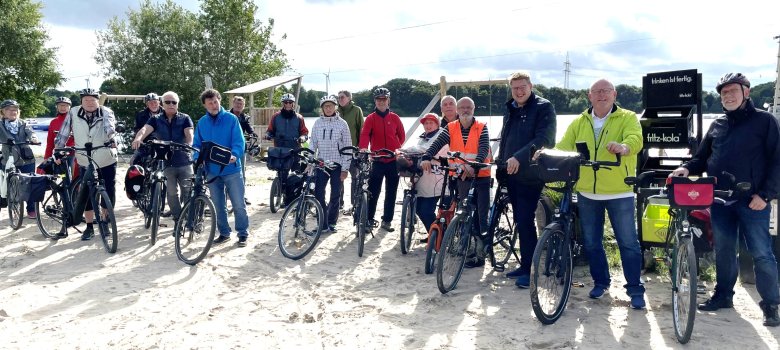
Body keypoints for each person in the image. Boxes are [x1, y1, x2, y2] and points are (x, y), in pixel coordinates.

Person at [671, 73, 780, 326]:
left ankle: (771, 305)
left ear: (746, 93)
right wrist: (687, 169)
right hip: (719, 200)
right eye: (724, 93)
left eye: (733, 91)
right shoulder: (717, 124)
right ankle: (723, 296)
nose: (728, 96)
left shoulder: (765, 122)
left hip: (753, 200)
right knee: (724, 250)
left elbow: (777, 161)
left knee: (762, 253)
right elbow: (701, 158)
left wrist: (765, 195)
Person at [553, 78, 645, 309]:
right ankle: (601, 282)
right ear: (589, 96)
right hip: (587, 192)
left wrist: (624, 148)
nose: (601, 95)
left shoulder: (628, 117)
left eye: (606, 91)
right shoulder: (579, 121)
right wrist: (546, 154)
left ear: (614, 95)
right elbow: (564, 145)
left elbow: (635, 140)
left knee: (628, 243)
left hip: (619, 191)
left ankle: (635, 289)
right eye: (597, 91)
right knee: (592, 243)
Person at [498, 71, 557, 288]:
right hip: (511, 172)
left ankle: (530, 270)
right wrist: (501, 162)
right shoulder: (510, 108)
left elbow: (545, 139)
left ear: (531, 86)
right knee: (520, 222)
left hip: (531, 174)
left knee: (524, 220)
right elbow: (505, 137)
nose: (519, 91)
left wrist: (519, 157)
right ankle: (524, 266)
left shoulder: (543, 107)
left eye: (523, 87)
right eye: (515, 88)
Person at [421, 97, 491, 267]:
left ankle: (481, 253)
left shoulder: (482, 127)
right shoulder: (450, 127)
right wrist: (426, 157)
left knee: (482, 214)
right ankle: (466, 244)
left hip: (481, 175)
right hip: (462, 176)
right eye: (462, 108)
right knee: (464, 210)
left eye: (469, 107)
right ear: (458, 110)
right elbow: (436, 143)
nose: (465, 110)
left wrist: (473, 167)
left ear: (473, 109)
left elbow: (483, 149)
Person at [55, 88, 118, 241]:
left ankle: (105, 221)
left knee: (109, 189)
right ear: (81, 102)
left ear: (98, 101)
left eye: (93, 100)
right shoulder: (73, 112)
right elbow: (64, 132)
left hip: (105, 157)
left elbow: (110, 128)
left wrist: (112, 139)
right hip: (84, 158)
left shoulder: (106, 112)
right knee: (87, 192)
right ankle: (89, 226)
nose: (90, 103)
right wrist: (58, 149)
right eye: (86, 100)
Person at [193, 89, 249, 247]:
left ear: (220, 101)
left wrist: (235, 155)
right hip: (212, 171)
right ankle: (224, 233)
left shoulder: (231, 119)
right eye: (209, 103)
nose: (213, 105)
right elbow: (196, 145)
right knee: (218, 205)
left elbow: (239, 141)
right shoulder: (202, 122)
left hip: (232, 169)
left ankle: (243, 233)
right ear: (205, 105)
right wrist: (197, 159)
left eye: (215, 101)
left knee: (238, 204)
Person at [131, 91, 194, 222]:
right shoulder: (155, 119)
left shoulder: (185, 118)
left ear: (177, 104)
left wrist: (189, 144)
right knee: (171, 193)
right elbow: (144, 129)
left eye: (174, 102)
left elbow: (189, 134)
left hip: (184, 160)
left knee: (188, 192)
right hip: (166, 161)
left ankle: (189, 218)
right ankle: (178, 219)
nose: (171, 104)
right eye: (168, 102)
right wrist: (138, 138)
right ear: (163, 104)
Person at [358, 87, 405, 231]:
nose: (381, 102)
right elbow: (365, 135)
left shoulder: (395, 117)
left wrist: (397, 149)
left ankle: (387, 220)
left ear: (388, 101)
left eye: (384, 99)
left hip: (392, 160)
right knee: (373, 191)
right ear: (375, 101)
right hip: (377, 159)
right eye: (379, 100)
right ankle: (369, 219)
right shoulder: (371, 118)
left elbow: (402, 135)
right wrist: (364, 148)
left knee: (391, 192)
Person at [399, 113, 448, 237]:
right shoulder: (423, 137)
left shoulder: (441, 135)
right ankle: (434, 234)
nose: (428, 125)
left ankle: (437, 236)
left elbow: (426, 149)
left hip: (437, 180)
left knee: (426, 210)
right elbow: (418, 149)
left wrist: (407, 150)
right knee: (420, 209)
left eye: (431, 123)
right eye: (426, 123)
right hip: (423, 180)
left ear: (437, 124)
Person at [310, 95, 351, 232]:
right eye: (325, 106)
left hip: (337, 164)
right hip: (321, 163)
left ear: (335, 107)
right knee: (318, 193)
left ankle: (332, 222)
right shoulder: (317, 123)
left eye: (331, 106)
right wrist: (310, 160)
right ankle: (322, 223)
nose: (328, 108)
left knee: (335, 195)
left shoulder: (342, 124)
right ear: (322, 108)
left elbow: (347, 147)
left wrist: (345, 169)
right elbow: (313, 144)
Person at [266, 93, 309, 204]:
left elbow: (304, 132)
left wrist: (302, 138)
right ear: (283, 104)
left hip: (295, 149)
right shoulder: (276, 116)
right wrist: (268, 135)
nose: (288, 104)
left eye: (290, 102)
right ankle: (280, 194)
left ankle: (293, 198)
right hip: (280, 150)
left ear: (293, 104)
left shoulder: (299, 118)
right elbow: (270, 130)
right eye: (286, 102)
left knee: (295, 174)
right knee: (282, 174)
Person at [0, 99, 39, 219]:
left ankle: (31, 209)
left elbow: (31, 132)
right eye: (9, 109)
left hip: (25, 156)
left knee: (30, 182)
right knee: (3, 180)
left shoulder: (23, 123)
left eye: (15, 109)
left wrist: (33, 138)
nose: (13, 111)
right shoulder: (0, 125)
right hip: (7, 157)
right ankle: (4, 201)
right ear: (3, 112)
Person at [337, 90, 364, 210]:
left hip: (353, 150)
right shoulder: (335, 110)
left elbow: (362, 130)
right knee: (339, 177)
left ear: (349, 98)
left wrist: (360, 148)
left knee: (355, 177)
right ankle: (339, 203)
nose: (340, 99)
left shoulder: (356, 110)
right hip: (338, 151)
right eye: (338, 98)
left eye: (342, 97)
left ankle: (354, 204)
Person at [230, 95, 255, 205]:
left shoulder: (245, 118)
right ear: (233, 104)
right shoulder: (226, 115)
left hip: (240, 148)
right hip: (227, 147)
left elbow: (250, 130)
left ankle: (242, 196)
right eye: (237, 103)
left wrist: (253, 135)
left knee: (241, 173)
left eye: (241, 104)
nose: (238, 106)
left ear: (243, 106)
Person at [131, 92, 162, 165]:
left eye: (155, 102)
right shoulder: (140, 115)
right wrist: (138, 139)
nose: (153, 105)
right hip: (146, 144)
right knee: (133, 162)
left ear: (159, 102)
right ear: (147, 104)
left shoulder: (166, 113)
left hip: (162, 143)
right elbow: (137, 128)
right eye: (151, 103)